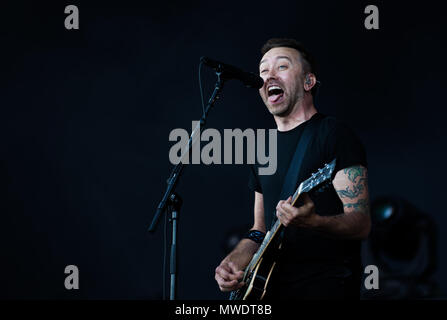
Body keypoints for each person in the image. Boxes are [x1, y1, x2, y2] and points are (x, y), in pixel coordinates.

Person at [214, 38, 371, 299]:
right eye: (263, 71)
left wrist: (315, 222)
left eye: (282, 67)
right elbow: (258, 231)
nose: (268, 76)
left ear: (308, 82)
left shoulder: (332, 134)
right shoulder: (261, 150)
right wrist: (232, 262)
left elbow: (361, 223)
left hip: (325, 288)